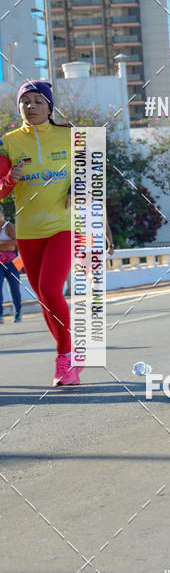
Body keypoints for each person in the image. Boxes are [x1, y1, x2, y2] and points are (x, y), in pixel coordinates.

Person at [0, 80, 80, 384]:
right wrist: (10, 179)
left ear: (49, 107)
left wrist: (77, 187)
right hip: (28, 231)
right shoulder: (8, 142)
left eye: (37, 101)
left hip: (64, 226)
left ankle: (64, 358)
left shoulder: (71, 135)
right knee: (46, 300)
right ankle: (71, 353)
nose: (30, 106)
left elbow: (93, 170)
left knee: (49, 289)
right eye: (25, 101)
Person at [0, 205, 21, 323]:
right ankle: (0, 315)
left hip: (12, 262)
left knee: (14, 288)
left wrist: (2, 242)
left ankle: (18, 312)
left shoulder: (8, 226)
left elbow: (17, 241)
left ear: (2, 214)